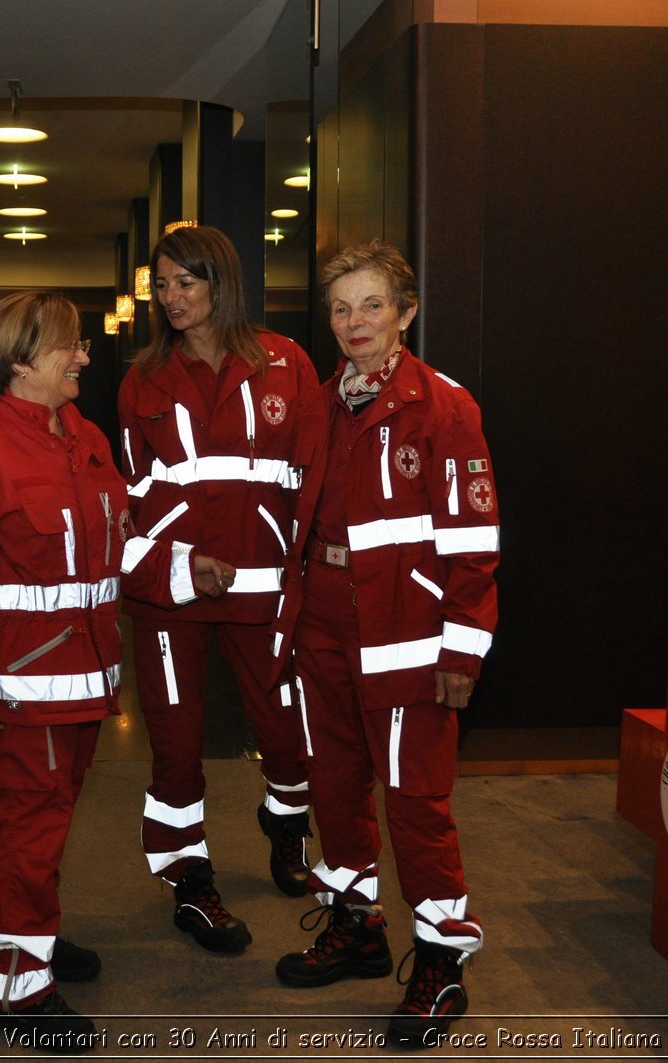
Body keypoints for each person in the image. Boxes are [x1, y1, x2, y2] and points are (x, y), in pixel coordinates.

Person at [0, 291, 233, 1051]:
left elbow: (116, 547)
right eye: (70, 346)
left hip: (90, 685)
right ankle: (19, 994)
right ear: (22, 359)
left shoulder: (85, 436)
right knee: (32, 834)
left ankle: (38, 938)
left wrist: (185, 568)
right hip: (25, 693)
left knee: (51, 829)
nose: (85, 357)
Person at [272, 238, 500, 1049]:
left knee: (415, 804)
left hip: (408, 640)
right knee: (334, 786)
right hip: (324, 633)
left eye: (372, 304)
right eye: (340, 307)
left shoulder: (444, 406)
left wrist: (463, 651)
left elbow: (474, 542)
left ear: (406, 312)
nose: (354, 321)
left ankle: (441, 962)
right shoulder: (323, 401)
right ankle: (356, 926)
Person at [117, 224, 324, 953]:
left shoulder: (285, 363)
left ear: (221, 282)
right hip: (169, 592)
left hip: (263, 586)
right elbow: (132, 502)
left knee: (288, 733)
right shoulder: (140, 380)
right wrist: (171, 561)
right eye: (162, 285)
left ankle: (286, 823)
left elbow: (312, 480)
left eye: (186, 281)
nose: (172, 297)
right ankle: (188, 875)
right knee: (175, 741)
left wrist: (314, 575)